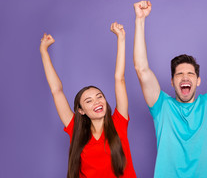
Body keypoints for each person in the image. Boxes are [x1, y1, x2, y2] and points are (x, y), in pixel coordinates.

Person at [133, 0, 207, 178]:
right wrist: (139, 20)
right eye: (179, 74)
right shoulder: (162, 106)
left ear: (198, 81)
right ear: (172, 82)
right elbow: (141, 70)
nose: (185, 77)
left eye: (190, 73)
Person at [40, 22, 136, 178]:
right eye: (89, 101)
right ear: (81, 110)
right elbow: (56, 91)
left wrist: (121, 38)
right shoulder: (75, 129)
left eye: (99, 96)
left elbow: (120, 79)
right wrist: (44, 50)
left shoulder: (119, 122)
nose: (97, 101)